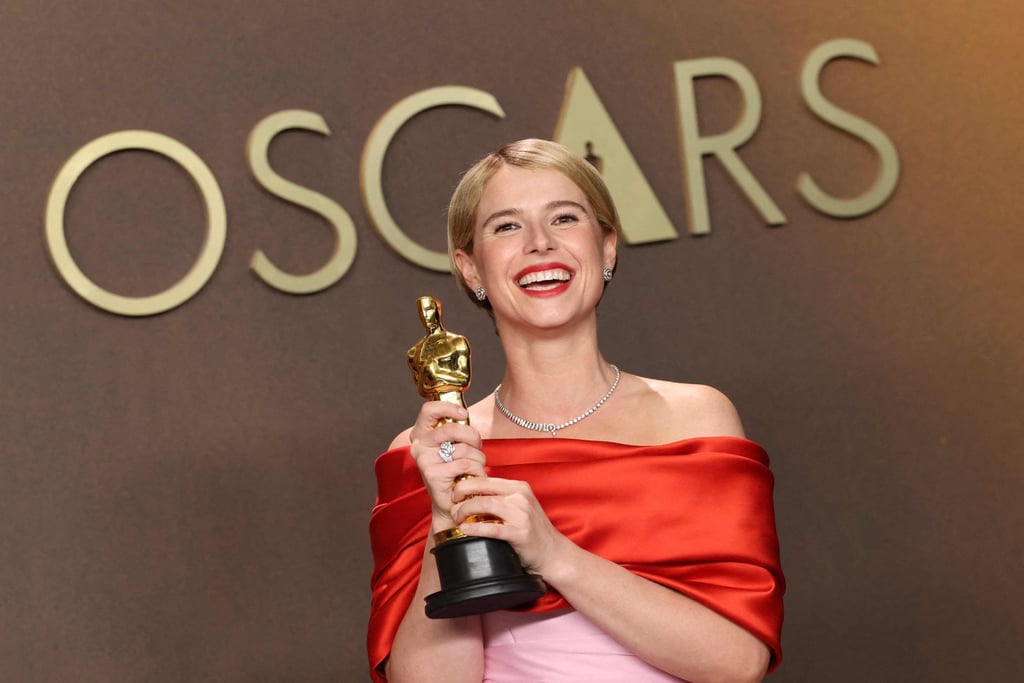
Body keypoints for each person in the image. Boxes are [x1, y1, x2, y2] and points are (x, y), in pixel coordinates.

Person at [368, 139, 784, 683]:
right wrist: (448, 518)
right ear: (470, 269)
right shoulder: (433, 453)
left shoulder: (694, 420)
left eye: (564, 218)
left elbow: (737, 662)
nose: (541, 244)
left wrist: (553, 554)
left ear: (607, 247)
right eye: (507, 226)